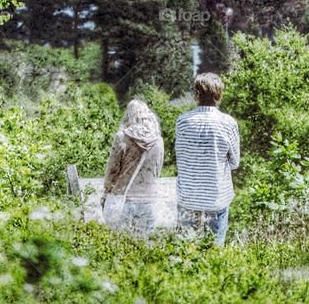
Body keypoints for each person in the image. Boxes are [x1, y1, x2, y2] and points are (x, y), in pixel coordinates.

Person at [174, 72, 240, 247]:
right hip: (216, 197)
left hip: (188, 196)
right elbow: (235, 163)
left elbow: (180, 156)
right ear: (219, 94)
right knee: (214, 249)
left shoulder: (182, 121)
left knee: (185, 248)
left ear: (196, 94)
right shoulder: (228, 123)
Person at [101, 99, 164, 237]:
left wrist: (105, 195)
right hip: (150, 201)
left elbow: (112, 171)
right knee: (145, 248)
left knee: (121, 249)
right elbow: (157, 170)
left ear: (129, 115)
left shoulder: (122, 137)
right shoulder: (158, 140)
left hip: (124, 200)